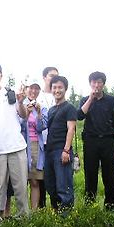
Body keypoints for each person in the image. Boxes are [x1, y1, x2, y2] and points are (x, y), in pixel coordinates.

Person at [0, 62, 29, 225]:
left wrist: (21, 101)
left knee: (21, 187)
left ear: (1, 75)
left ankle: (24, 217)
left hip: (16, 146)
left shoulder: (11, 94)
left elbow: (23, 115)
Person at [78, 71, 114, 209]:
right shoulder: (85, 100)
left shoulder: (111, 100)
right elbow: (79, 116)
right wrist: (91, 99)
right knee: (90, 175)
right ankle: (90, 207)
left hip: (108, 141)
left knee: (109, 175)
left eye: (99, 82)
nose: (96, 85)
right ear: (90, 84)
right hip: (91, 142)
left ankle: (111, 207)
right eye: (94, 82)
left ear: (103, 84)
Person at [40, 76, 77, 212]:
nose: (57, 90)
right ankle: (56, 213)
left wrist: (66, 150)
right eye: (54, 87)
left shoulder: (69, 108)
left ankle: (66, 218)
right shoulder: (51, 110)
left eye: (60, 87)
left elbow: (71, 129)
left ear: (65, 89)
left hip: (61, 151)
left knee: (64, 186)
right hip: (49, 152)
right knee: (51, 185)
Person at [37, 66, 59, 207]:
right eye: (51, 76)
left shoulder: (58, 95)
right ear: (44, 77)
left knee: (54, 176)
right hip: (39, 142)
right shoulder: (38, 96)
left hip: (55, 142)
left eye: (56, 76)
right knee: (39, 178)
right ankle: (41, 207)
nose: (54, 78)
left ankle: (56, 207)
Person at [22, 81, 46, 210]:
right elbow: (19, 125)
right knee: (21, 181)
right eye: (31, 88)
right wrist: (26, 112)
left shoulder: (41, 107)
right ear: (26, 89)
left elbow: (41, 127)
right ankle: (23, 211)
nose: (34, 91)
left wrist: (38, 114)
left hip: (36, 145)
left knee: (35, 180)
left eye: (37, 88)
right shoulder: (19, 104)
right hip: (21, 145)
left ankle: (34, 212)